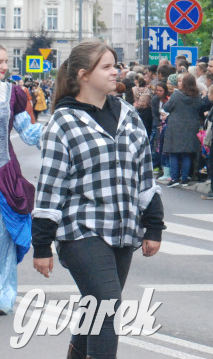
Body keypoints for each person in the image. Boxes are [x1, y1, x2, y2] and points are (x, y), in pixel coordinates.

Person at [31, 40, 164, 359]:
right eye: (106, 66)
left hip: (122, 229)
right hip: (81, 231)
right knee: (106, 306)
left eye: (115, 65)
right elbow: (50, 186)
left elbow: (145, 174)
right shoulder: (62, 123)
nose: (115, 71)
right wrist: (42, 245)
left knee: (95, 307)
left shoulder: (128, 115)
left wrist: (154, 225)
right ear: (83, 75)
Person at [0, 45, 43, 316]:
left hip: (3, 172)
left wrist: (58, 132)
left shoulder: (11, 93)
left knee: (4, 236)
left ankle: (3, 295)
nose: (3, 66)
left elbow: (26, 133)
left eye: (4, 61)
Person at [160, 73, 207, 187]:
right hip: (191, 126)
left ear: (185, 84)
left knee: (174, 153)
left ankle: (174, 178)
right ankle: (185, 179)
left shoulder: (176, 95)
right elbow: (201, 107)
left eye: (181, 81)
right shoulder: (197, 96)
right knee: (187, 154)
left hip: (175, 127)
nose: (178, 83)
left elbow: (166, 107)